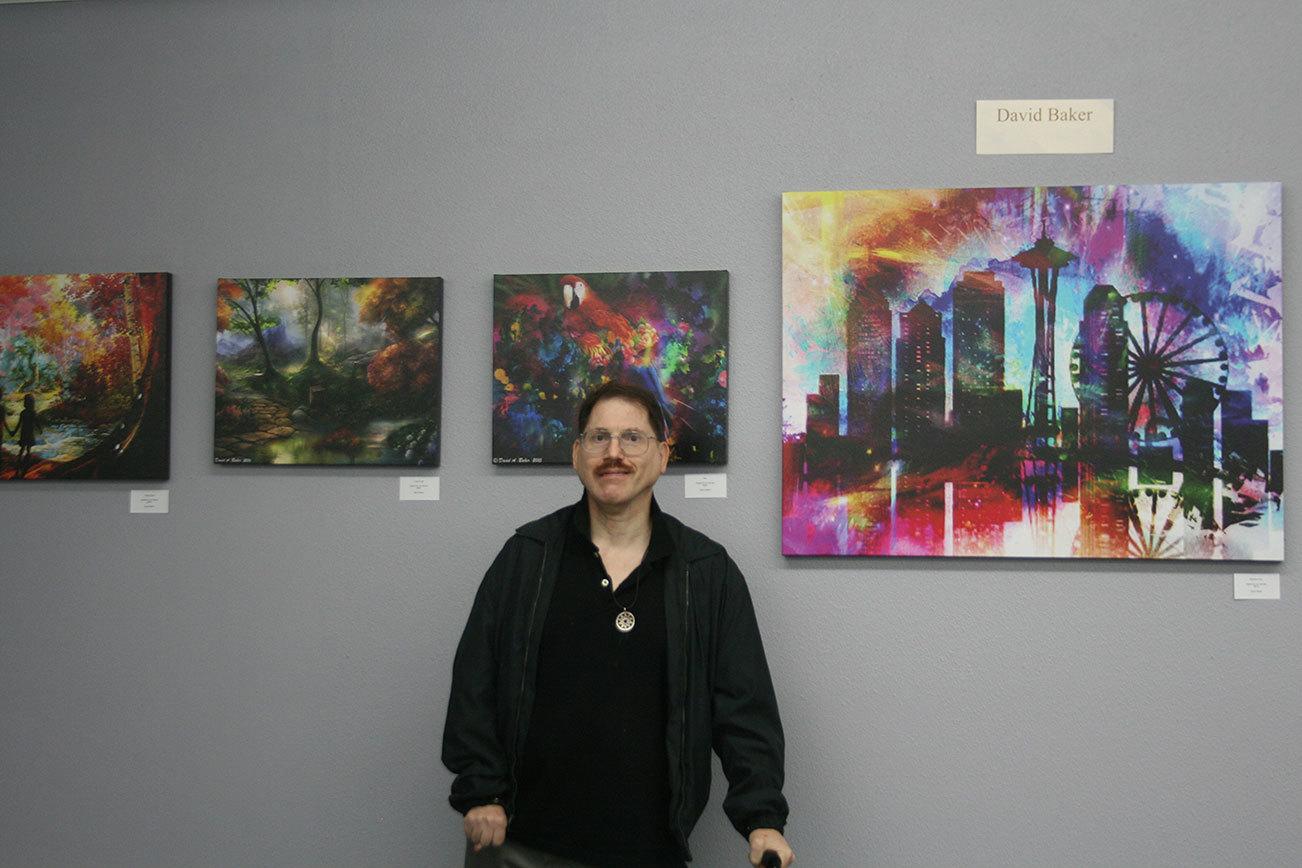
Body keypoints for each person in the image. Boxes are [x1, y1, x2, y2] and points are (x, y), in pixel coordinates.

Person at [443, 381, 793, 868]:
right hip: (521, 846)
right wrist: (481, 790)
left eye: (633, 438)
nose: (614, 453)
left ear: (663, 456)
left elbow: (744, 710)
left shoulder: (706, 572)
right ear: (576, 455)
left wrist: (762, 821)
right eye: (598, 438)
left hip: (650, 851)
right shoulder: (527, 558)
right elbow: (474, 683)